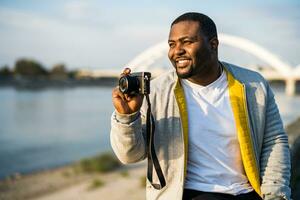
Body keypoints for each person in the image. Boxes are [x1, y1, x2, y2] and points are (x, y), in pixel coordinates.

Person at [110, 12, 291, 200]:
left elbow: (274, 141)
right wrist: (127, 117)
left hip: (248, 193)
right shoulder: (155, 92)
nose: (176, 51)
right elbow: (129, 156)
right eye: (172, 44)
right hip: (188, 194)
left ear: (213, 45)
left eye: (186, 42)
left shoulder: (253, 85)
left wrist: (275, 193)